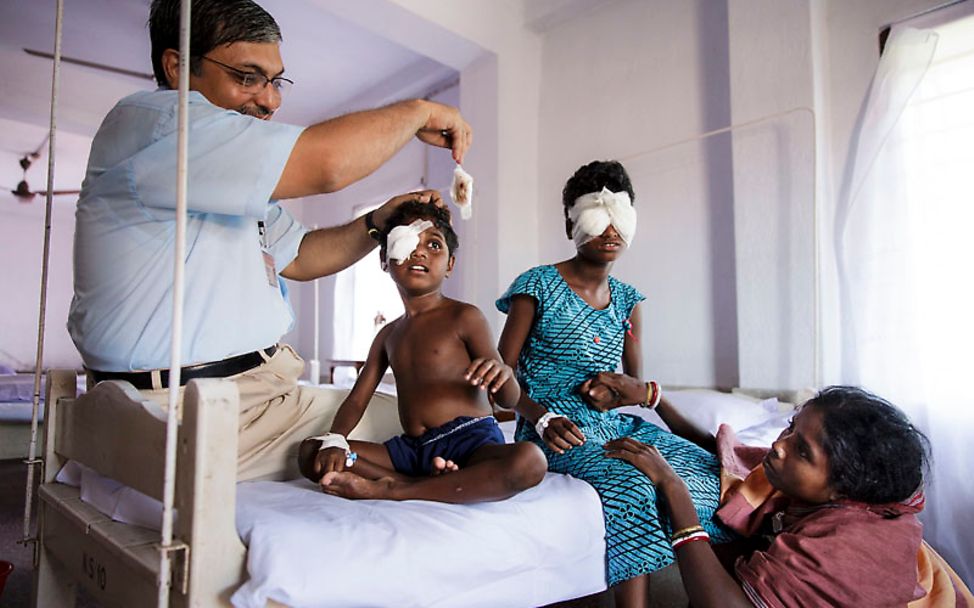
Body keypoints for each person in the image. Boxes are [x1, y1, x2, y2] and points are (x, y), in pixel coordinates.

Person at [67, 0, 472, 481]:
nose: (270, 100)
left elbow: (299, 255)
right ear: (177, 68)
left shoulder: (219, 173)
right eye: (248, 76)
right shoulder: (162, 124)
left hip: (253, 400)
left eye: (275, 80)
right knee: (452, 435)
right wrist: (419, 110)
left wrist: (378, 221)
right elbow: (328, 166)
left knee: (443, 430)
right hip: (197, 411)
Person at [496, 160, 735, 608]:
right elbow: (499, 378)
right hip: (557, 430)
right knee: (633, 482)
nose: (610, 231)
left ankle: (727, 588)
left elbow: (634, 385)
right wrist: (540, 416)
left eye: (619, 219)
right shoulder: (537, 286)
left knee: (709, 468)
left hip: (617, 425)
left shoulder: (628, 300)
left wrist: (622, 390)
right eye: (596, 218)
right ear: (571, 222)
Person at [606, 386, 974, 607]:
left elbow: (722, 606)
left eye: (802, 451)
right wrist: (654, 397)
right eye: (789, 429)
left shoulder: (848, 548)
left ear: (844, 486)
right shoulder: (835, 493)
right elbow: (726, 457)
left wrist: (674, 489)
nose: (779, 447)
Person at [297, 201, 547, 502]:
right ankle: (420, 481)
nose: (419, 251)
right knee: (313, 451)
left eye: (433, 244)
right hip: (413, 452)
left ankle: (397, 489)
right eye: (407, 242)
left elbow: (508, 398)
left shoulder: (465, 317)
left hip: (472, 444)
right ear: (385, 260)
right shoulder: (388, 335)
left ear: (450, 264)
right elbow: (356, 399)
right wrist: (337, 438)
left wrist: (504, 374)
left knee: (530, 461)